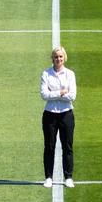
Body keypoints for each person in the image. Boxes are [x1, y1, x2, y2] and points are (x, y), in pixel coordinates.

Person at [39, 45, 76, 188]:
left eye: (60, 56)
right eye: (56, 57)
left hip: (66, 114)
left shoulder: (70, 74)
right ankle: (48, 177)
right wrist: (61, 92)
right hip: (50, 115)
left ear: (64, 58)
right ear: (52, 58)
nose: (58, 59)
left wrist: (53, 93)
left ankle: (68, 177)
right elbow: (44, 95)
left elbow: (72, 96)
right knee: (49, 146)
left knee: (67, 146)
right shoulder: (46, 74)